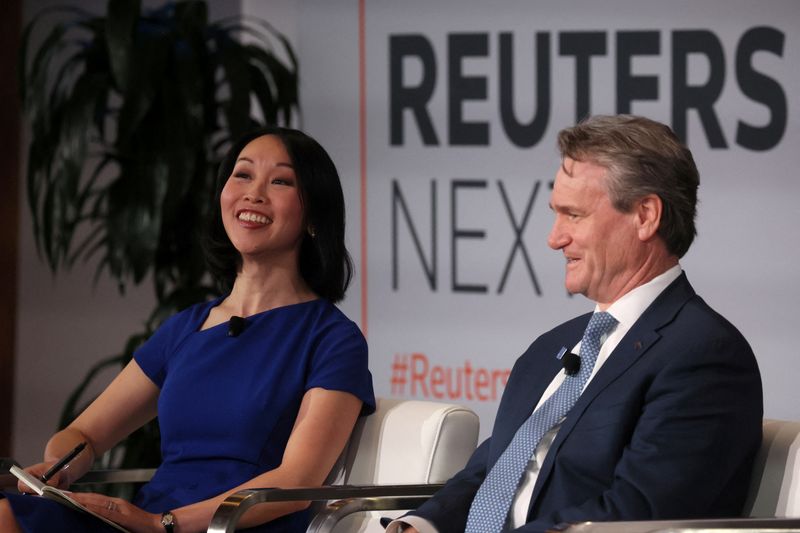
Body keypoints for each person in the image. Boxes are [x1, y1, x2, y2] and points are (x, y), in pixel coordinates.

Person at [390, 115, 762, 533]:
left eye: (574, 215)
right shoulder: (553, 346)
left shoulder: (704, 355)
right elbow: (494, 471)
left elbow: (636, 513)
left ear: (645, 216)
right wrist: (419, 525)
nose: (554, 238)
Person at [1, 126, 376, 533]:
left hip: (231, 526)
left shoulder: (333, 339)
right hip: (147, 521)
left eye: (281, 181)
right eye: (243, 175)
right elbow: (84, 434)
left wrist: (164, 523)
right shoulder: (187, 326)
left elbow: (297, 482)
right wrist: (61, 470)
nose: (254, 193)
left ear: (314, 217)